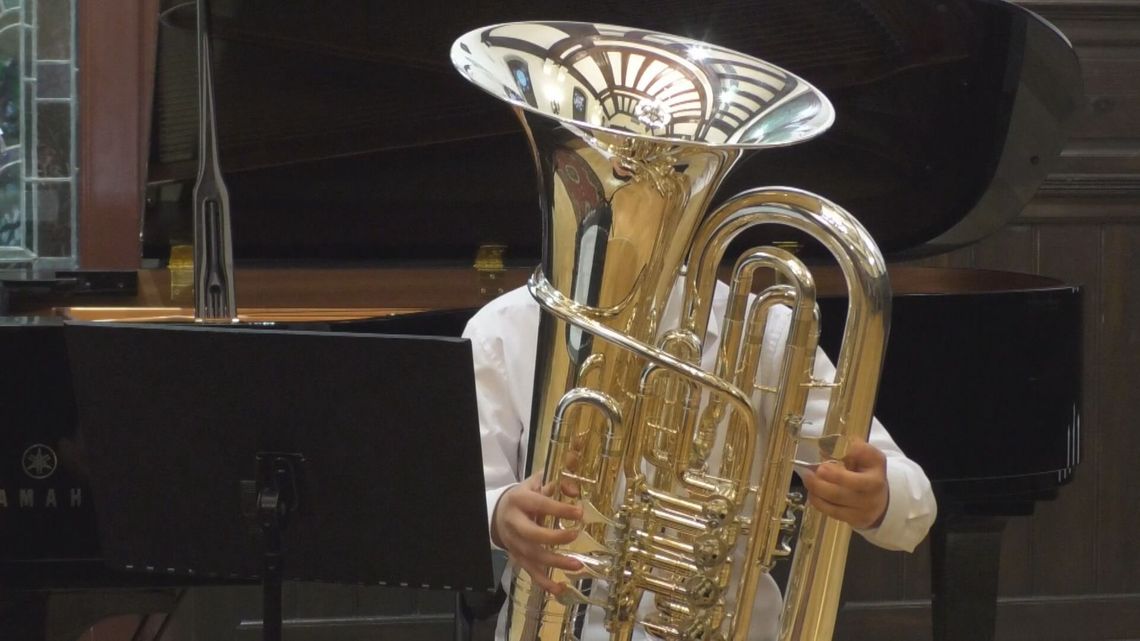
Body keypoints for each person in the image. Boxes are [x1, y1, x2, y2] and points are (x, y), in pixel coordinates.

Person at [464, 281, 937, 641]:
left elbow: (914, 502)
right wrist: (500, 513)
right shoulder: (502, 331)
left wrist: (878, 496)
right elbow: (453, 508)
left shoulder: (767, 333)